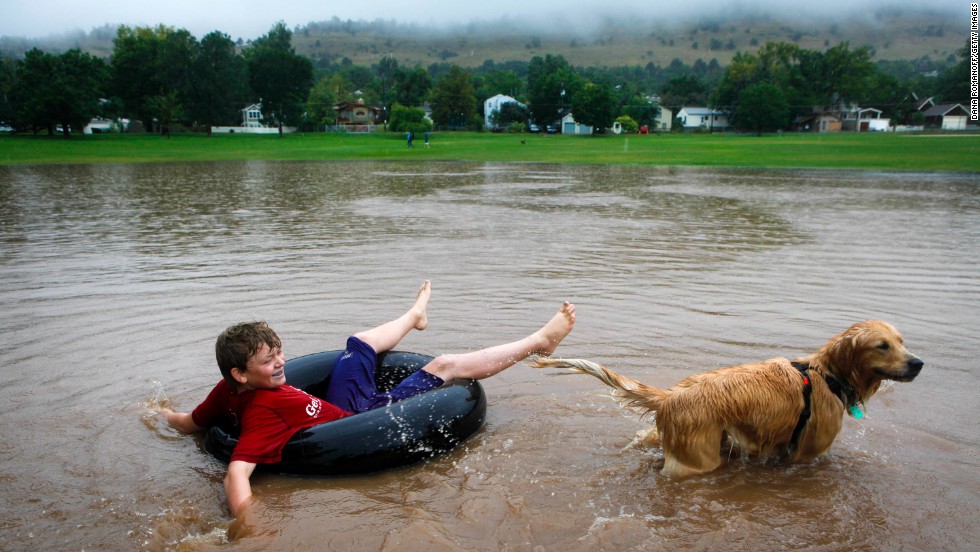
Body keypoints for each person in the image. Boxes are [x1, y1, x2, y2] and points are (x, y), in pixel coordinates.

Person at [159, 281, 576, 517]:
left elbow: (193, 422)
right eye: (270, 361)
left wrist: (159, 415)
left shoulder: (226, 390)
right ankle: (539, 343)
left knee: (358, 343)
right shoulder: (264, 414)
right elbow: (237, 472)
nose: (282, 362)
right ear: (240, 372)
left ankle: (413, 318)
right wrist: (248, 527)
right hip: (365, 421)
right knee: (446, 365)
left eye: (279, 352)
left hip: (345, 407)